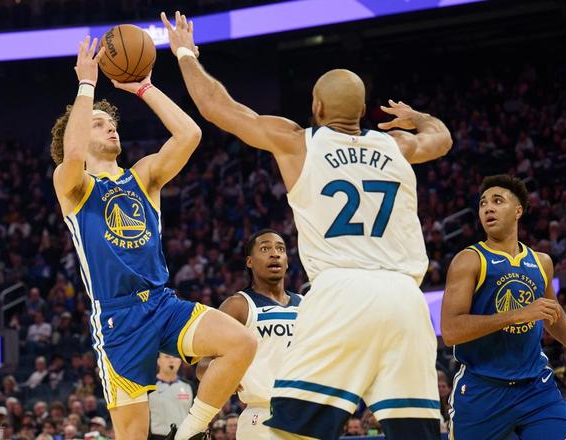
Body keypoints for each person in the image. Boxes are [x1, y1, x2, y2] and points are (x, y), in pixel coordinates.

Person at [161, 11, 452, 439]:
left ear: (316, 107)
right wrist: (417, 116)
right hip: (407, 297)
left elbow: (217, 107)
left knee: (291, 430)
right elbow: (442, 139)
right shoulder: (397, 145)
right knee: (416, 431)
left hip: (342, 292)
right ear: (364, 111)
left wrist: (185, 53)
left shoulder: (299, 141)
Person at [50, 36, 256, 440]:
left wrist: (144, 87)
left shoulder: (143, 176)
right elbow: (72, 156)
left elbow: (189, 134)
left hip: (163, 302)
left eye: (111, 122)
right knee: (133, 435)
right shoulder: (72, 185)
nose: (110, 127)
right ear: (77, 135)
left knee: (242, 343)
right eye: (97, 124)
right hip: (118, 318)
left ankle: (191, 431)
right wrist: (86, 85)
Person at [441, 174, 566, 439]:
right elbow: (451, 331)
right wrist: (515, 315)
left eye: (497, 201)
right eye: (482, 203)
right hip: (483, 389)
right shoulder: (469, 260)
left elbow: (551, 311)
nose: (488, 208)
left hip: (535, 387)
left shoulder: (541, 262)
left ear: (518, 210)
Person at [197, 229, 302, 439]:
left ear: (287, 261)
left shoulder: (305, 304)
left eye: (280, 249)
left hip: (306, 413)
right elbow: (202, 365)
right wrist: (224, 374)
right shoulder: (238, 305)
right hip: (261, 416)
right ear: (250, 262)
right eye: (265, 249)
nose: (275, 254)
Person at [148, 353, 194, 439]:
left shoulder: (189, 386)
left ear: (180, 361)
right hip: (156, 436)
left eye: (175, 357)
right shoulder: (148, 386)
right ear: (158, 361)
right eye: (167, 357)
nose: (171, 360)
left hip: (182, 437)